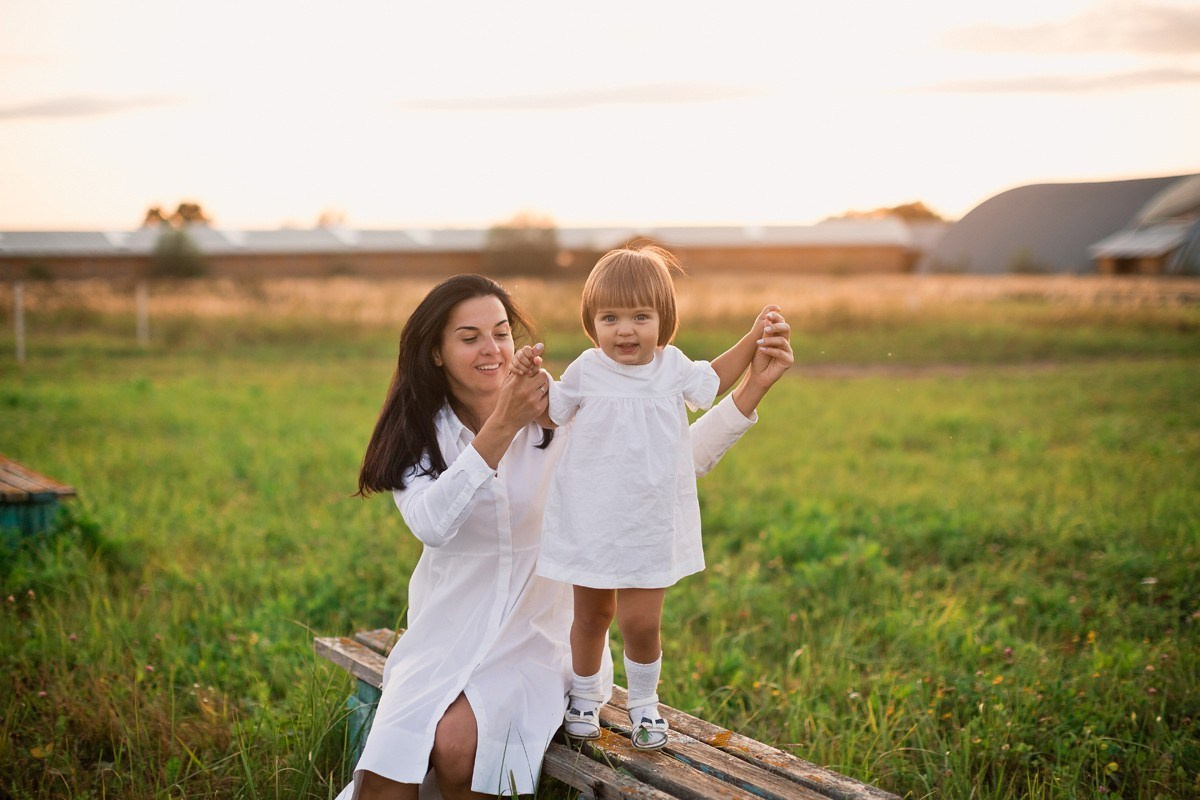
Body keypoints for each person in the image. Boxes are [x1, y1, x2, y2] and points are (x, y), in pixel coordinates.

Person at [340, 273, 792, 800]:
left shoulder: (559, 408)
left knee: (460, 747)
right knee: (386, 777)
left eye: (502, 333)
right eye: (469, 338)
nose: (493, 350)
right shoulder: (422, 435)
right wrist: (501, 427)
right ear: (436, 353)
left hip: (541, 635)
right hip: (447, 630)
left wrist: (752, 388)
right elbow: (433, 525)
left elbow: (666, 463)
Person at [509, 245, 774, 749]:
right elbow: (552, 411)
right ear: (592, 324)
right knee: (590, 617)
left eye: (640, 316)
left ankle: (645, 706)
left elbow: (714, 381)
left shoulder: (672, 368)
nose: (624, 330)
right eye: (609, 317)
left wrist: (752, 338)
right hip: (590, 519)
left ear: (664, 321)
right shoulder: (587, 369)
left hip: (648, 522)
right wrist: (530, 377)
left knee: (641, 622)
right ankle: (585, 696)